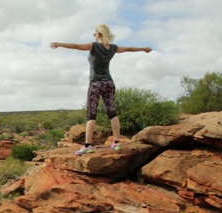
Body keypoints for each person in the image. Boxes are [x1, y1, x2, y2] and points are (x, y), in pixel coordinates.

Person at [50, 24, 152, 155]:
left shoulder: (93, 46)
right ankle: (117, 142)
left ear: (98, 34)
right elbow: (129, 48)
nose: (94, 35)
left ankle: (88, 145)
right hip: (109, 83)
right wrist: (144, 49)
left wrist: (60, 44)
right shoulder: (112, 48)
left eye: (94, 33)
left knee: (91, 114)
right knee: (112, 112)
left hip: (96, 84)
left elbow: (76, 46)